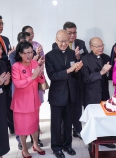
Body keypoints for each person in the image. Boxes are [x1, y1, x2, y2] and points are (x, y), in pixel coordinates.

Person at [45, 30, 83, 158]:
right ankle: (56, 147)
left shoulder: (72, 54)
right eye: (61, 41)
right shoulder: (49, 56)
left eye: (66, 41)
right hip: (57, 95)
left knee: (68, 122)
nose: (63, 43)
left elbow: (74, 74)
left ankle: (67, 145)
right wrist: (69, 70)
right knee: (56, 123)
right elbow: (52, 76)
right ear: (56, 41)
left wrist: (77, 70)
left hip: (70, 94)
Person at [52, 22, 88, 140]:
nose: (72, 35)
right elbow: (60, 65)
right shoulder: (56, 45)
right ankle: (63, 133)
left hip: (77, 81)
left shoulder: (81, 43)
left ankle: (77, 130)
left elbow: (86, 59)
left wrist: (78, 58)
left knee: (77, 107)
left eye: (74, 32)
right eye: (70, 33)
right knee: (64, 111)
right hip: (64, 84)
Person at [11, 41, 46, 158]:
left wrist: (40, 74)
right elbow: (17, 84)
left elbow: (41, 80)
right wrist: (33, 77)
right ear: (20, 54)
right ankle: (24, 149)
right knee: (22, 128)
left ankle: (36, 144)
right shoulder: (16, 66)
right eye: (27, 53)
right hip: (21, 103)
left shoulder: (35, 63)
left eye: (31, 52)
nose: (30, 55)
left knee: (34, 125)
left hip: (34, 100)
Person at [22, 26, 46, 145]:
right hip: (24, 85)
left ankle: (35, 138)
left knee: (36, 109)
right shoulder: (19, 49)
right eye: (28, 33)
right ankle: (22, 139)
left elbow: (42, 61)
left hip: (36, 81)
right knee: (23, 113)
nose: (31, 35)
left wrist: (39, 56)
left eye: (32, 33)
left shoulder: (37, 45)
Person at [81, 37, 111, 107]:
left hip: (105, 95)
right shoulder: (85, 59)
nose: (101, 48)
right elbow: (86, 78)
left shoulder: (106, 57)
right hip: (91, 97)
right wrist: (101, 72)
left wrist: (108, 73)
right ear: (91, 47)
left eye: (102, 45)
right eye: (98, 46)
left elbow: (110, 76)